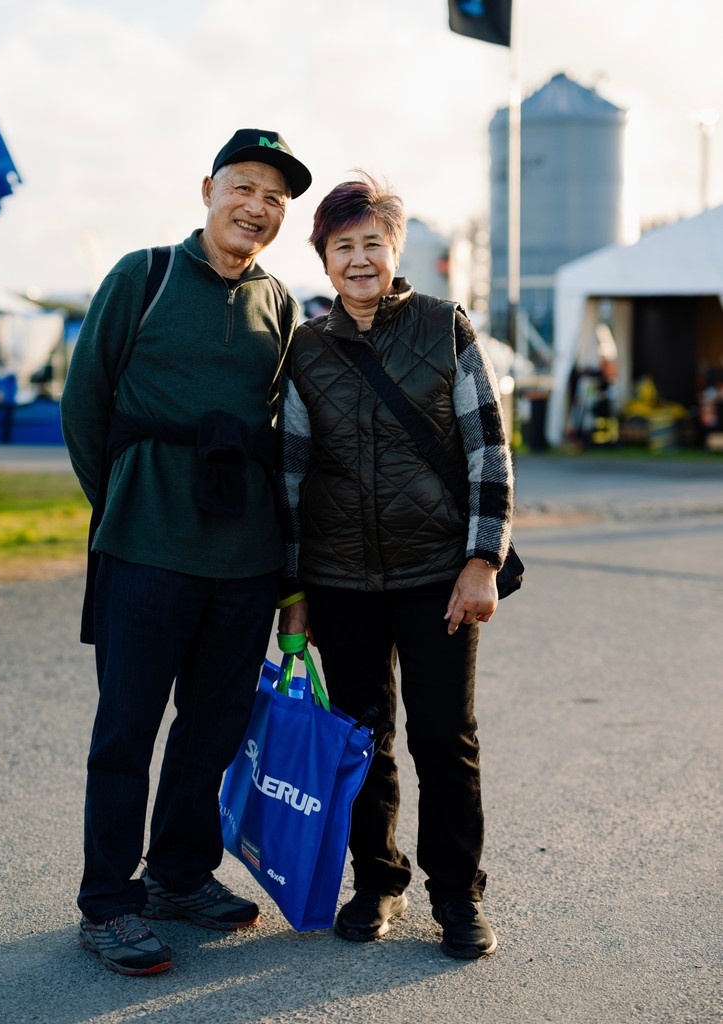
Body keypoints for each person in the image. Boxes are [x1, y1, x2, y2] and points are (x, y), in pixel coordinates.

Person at [60, 129, 312, 976]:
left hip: (243, 558)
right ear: (208, 190)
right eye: (243, 188)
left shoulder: (280, 302)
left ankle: (177, 874)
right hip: (144, 546)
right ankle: (107, 903)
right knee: (126, 730)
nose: (257, 208)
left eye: (274, 199)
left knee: (213, 728)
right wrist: (126, 500)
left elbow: (283, 429)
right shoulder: (144, 275)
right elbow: (84, 403)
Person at [277, 172, 514, 959]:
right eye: (341, 245)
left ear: (395, 249)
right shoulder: (305, 348)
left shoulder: (445, 327)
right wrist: (295, 588)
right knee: (361, 741)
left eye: (371, 243)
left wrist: (481, 561)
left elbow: (487, 449)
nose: (358, 259)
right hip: (340, 581)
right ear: (323, 258)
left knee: (444, 739)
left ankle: (457, 895)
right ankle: (377, 881)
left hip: (436, 576)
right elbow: (291, 475)